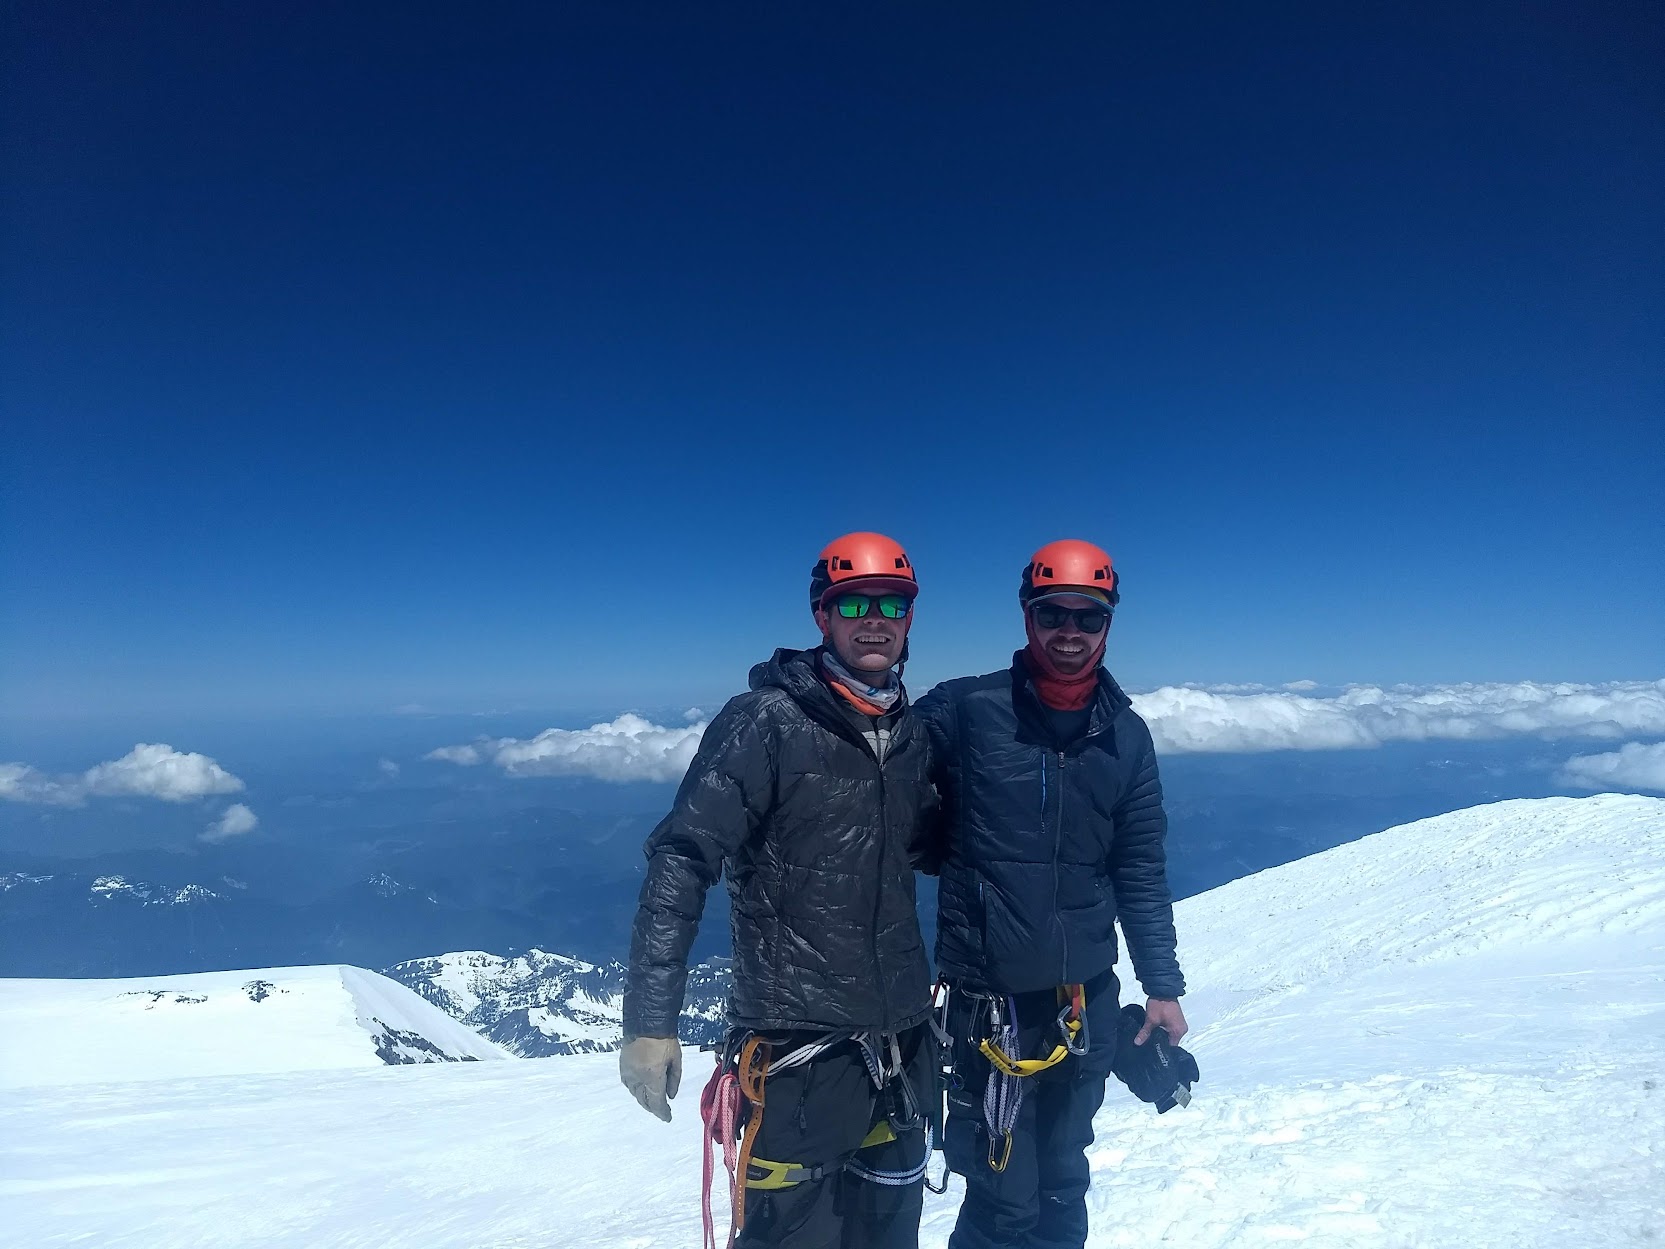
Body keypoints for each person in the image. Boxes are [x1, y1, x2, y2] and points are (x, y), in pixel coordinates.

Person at [620, 532, 940, 1249]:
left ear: (910, 617)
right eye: (851, 601)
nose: (874, 617)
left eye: (892, 602)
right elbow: (682, 857)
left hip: (902, 1050)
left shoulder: (911, 735)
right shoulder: (766, 721)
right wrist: (647, 1021)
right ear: (821, 615)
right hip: (798, 1056)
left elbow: (941, 850)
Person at [915, 538, 1188, 1249]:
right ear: (1026, 616)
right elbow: (872, 759)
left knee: (1065, 1177)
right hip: (991, 1004)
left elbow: (1139, 866)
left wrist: (1160, 983)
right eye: (1052, 614)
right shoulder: (966, 711)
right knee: (1003, 1192)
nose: (1068, 632)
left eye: (1086, 617)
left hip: (1083, 998)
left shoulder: (1126, 738)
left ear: (1108, 622)